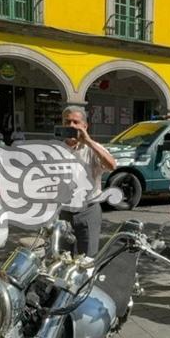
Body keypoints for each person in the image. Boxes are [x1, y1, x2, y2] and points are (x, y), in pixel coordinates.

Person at [58, 106, 117, 256]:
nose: (71, 126)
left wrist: (89, 141)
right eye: (67, 122)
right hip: (63, 212)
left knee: (88, 259)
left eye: (76, 122)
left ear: (84, 126)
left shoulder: (93, 148)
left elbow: (111, 165)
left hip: (88, 210)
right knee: (62, 258)